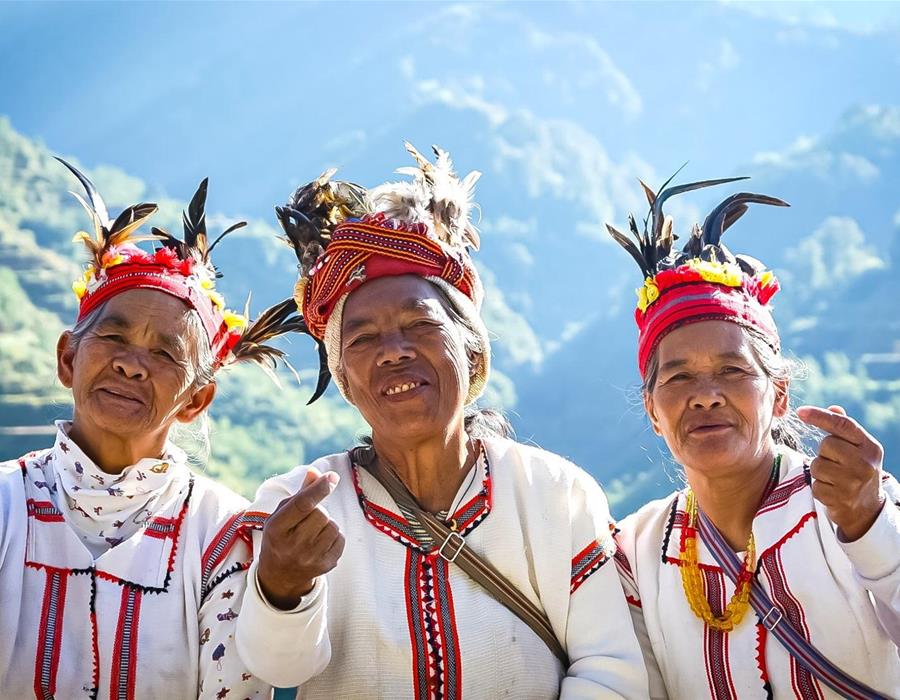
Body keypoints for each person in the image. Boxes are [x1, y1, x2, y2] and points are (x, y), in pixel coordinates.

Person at [235, 145, 649, 698]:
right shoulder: (296, 507)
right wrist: (282, 587)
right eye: (362, 339)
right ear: (344, 380)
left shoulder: (556, 496)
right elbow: (277, 671)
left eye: (419, 323)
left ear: (472, 351)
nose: (393, 351)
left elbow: (610, 670)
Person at [0, 160, 302, 699]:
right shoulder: (4, 506)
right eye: (113, 338)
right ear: (68, 358)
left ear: (197, 399)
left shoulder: (224, 536)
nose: (132, 365)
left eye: (165, 353)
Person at [608, 176, 900, 698]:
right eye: (679, 378)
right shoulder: (637, 551)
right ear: (652, 409)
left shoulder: (855, 505)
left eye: (732, 371)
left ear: (779, 394)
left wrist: (869, 527)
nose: (706, 396)